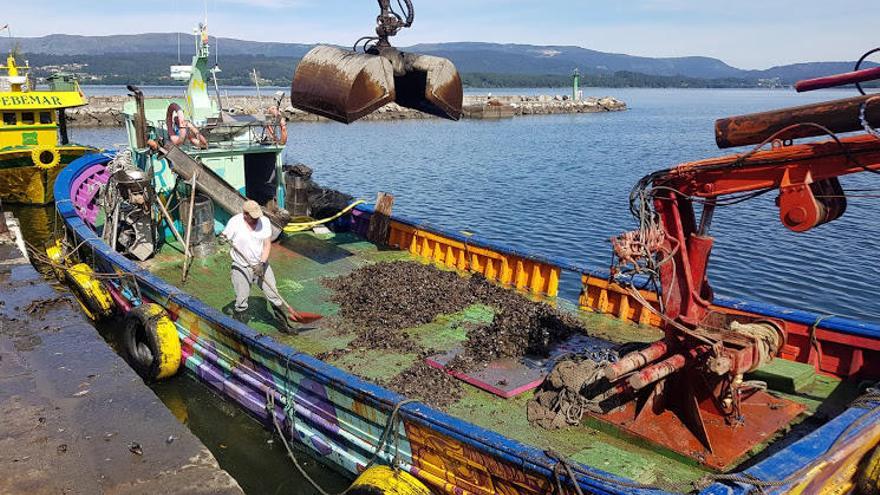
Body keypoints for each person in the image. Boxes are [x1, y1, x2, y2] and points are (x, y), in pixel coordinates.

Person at [219, 200, 295, 334]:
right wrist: (222, 238)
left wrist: (261, 263)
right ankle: (240, 330)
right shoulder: (235, 222)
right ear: (245, 214)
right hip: (241, 265)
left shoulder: (264, 221)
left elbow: (267, 244)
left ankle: (285, 326)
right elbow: (224, 237)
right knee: (242, 300)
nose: (256, 220)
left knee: (274, 295)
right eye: (252, 217)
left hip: (261, 264)